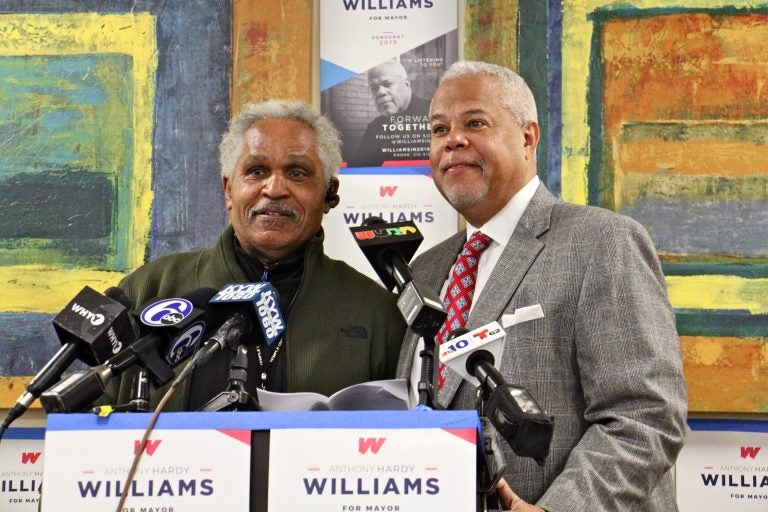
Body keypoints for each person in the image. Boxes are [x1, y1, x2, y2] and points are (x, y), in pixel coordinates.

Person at [396, 61, 688, 511]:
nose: (452, 139)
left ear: (528, 137)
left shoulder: (602, 242)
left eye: (475, 123)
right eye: (439, 129)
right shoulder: (429, 269)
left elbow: (644, 415)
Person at [111, 100, 406, 411]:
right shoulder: (151, 288)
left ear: (328, 194)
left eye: (297, 172)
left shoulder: (377, 312)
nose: (275, 189)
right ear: (228, 190)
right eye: (256, 171)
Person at [349, 58, 432, 167]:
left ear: (407, 84)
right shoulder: (374, 128)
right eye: (374, 88)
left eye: (387, 84)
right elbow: (362, 171)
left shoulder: (436, 114)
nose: (380, 92)